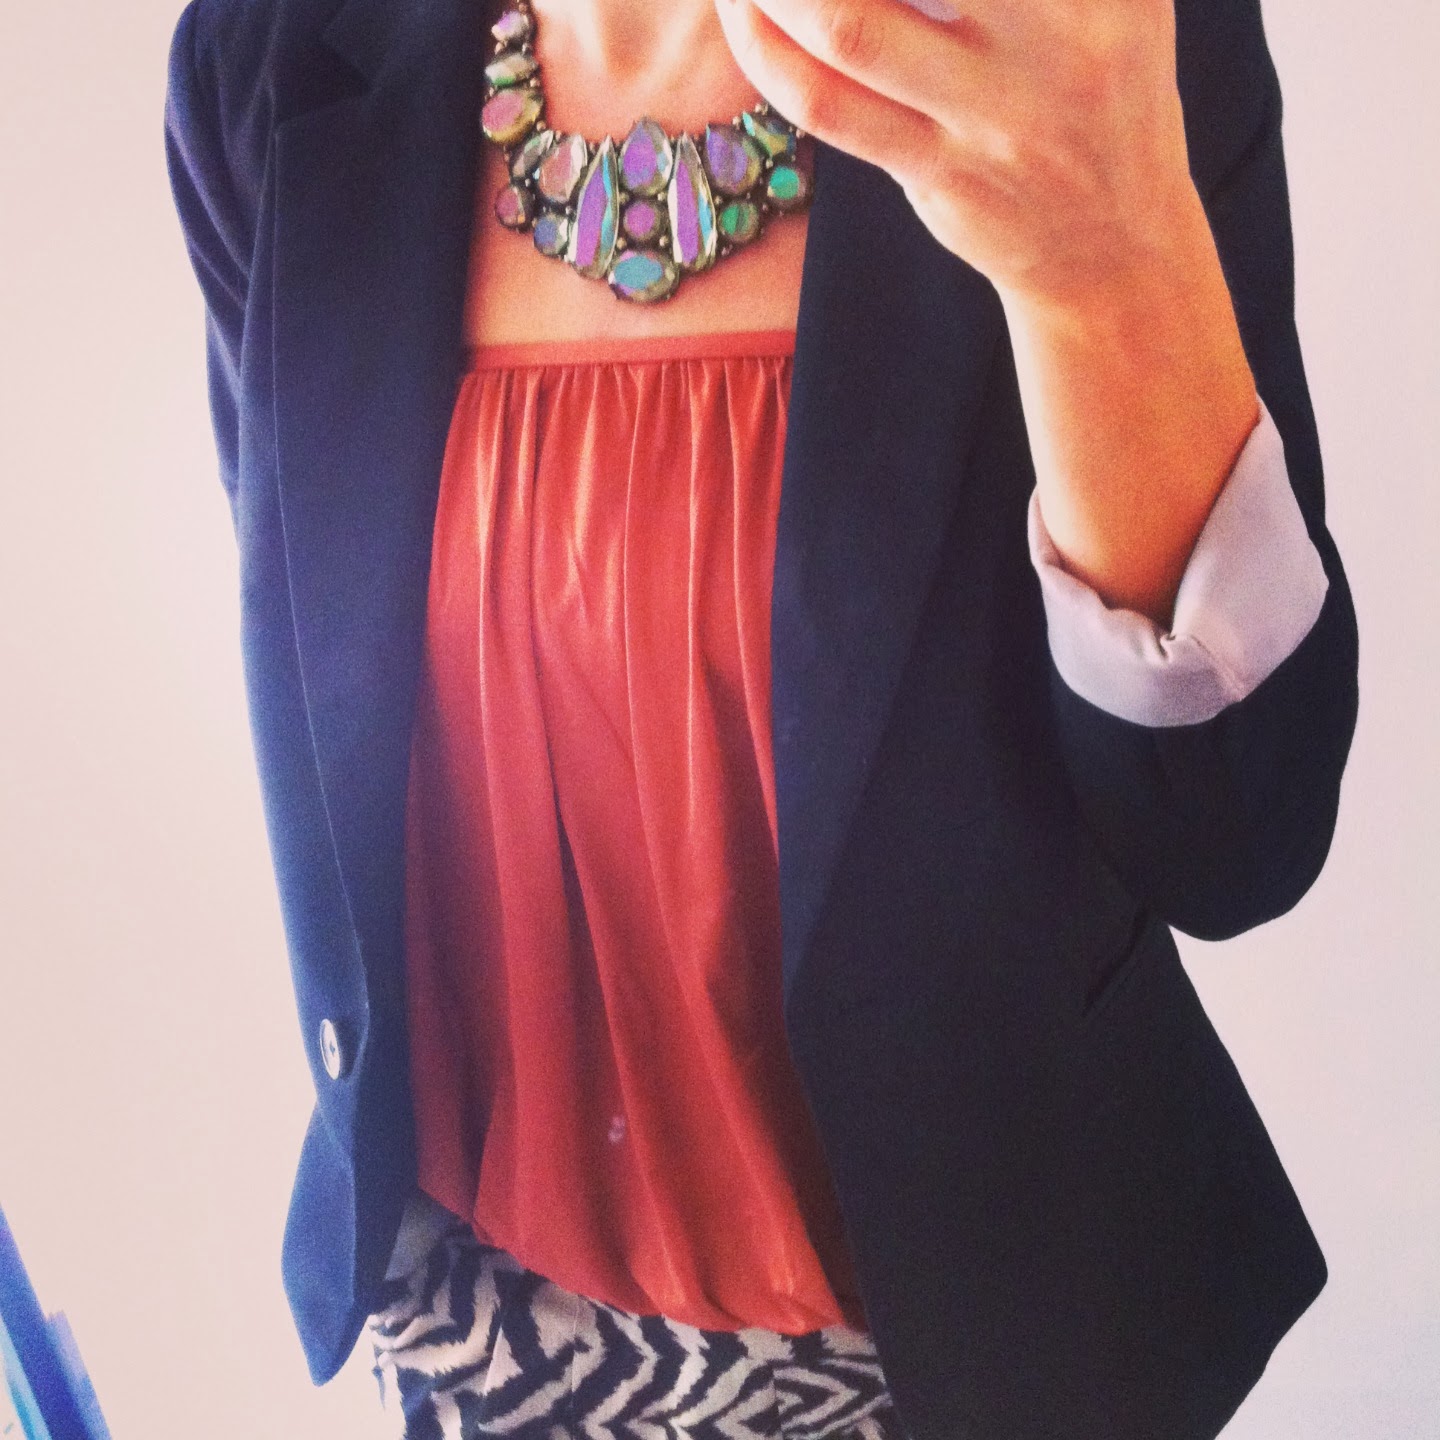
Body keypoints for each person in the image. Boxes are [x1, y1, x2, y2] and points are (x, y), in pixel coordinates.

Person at [162, 0, 1359, 1432]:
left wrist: (1103, 273)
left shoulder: (1083, 32)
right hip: (483, 1343)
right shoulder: (267, 59)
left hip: (976, 1357)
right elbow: (328, 711)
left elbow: (1238, 833)